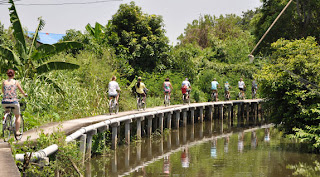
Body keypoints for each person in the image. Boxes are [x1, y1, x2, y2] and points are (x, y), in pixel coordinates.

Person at [2, 69, 27, 136]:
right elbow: (21, 91)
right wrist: (24, 94)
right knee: (17, 116)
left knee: (7, 110)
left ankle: (6, 118)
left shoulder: (4, 82)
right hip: (14, 102)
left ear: (7, 75)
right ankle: (17, 131)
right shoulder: (16, 82)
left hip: (5, 102)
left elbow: (3, 91)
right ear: (14, 75)